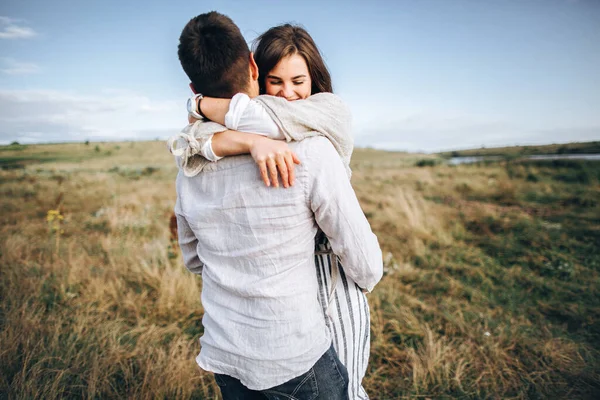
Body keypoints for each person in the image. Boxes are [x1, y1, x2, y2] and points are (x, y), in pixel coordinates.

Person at [172, 11, 382, 400]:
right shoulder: (311, 153)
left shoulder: (191, 165)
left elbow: (194, 260)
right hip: (293, 354)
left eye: (298, 81)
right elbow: (367, 266)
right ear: (255, 67)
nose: (288, 92)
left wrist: (202, 109)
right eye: (277, 80)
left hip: (225, 351)